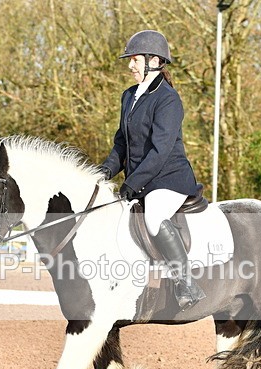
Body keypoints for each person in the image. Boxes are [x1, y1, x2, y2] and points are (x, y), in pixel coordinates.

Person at [100, 29, 205, 310]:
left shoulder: (168, 99)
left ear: (154, 60)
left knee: (155, 215)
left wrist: (131, 184)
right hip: (142, 179)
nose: (130, 66)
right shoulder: (129, 96)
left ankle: (187, 285)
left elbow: (160, 151)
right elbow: (121, 143)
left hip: (169, 179)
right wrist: (103, 172)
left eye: (134, 60)